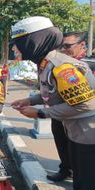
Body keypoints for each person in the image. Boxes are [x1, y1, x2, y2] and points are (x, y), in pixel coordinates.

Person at [10, 16, 95, 190]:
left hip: (87, 134)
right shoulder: (46, 63)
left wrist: (41, 113)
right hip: (74, 130)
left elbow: (86, 104)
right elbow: (55, 92)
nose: (13, 48)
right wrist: (30, 100)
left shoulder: (62, 66)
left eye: (18, 42)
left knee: (86, 182)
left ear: (32, 42)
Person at [46, 31, 87, 182]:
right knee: (61, 140)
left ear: (82, 44)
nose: (63, 49)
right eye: (61, 46)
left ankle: (80, 174)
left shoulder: (88, 63)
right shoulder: (59, 63)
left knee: (80, 148)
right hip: (59, 110)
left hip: (81, 114)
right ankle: (65, 169)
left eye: (67, 46)